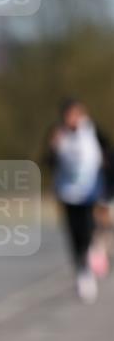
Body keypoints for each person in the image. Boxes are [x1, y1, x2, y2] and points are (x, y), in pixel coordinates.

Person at [45, 98, 111, 303]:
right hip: (67, 193)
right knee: (74, 234)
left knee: (88, 228)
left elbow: (109, 155)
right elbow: (47, 161)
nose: (72, 119)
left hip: (91, 191)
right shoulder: (57, 133)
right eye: (69, 115)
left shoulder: (93, 131)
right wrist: (53, 149)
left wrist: (109, 187)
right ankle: (82, 271)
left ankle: (91, 255)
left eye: (76, 114)